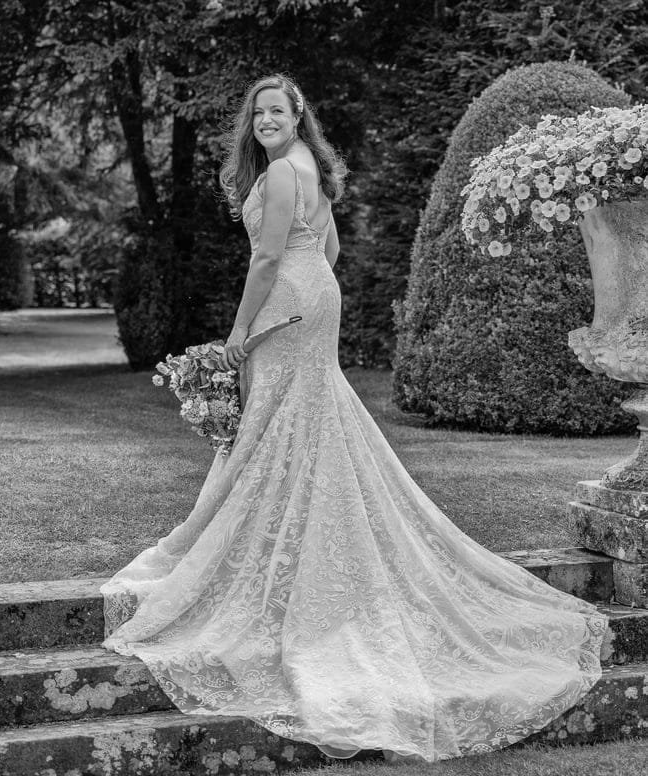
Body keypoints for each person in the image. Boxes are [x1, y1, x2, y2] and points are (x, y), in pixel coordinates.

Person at [101, 73, 607, 762]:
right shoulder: (306, 167)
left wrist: (238, 333)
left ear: (296, 113)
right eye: (258, 114)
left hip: (284, 302)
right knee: (295, 425)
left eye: (275, 111)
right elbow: (327, 251)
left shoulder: (283, 174)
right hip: (315, 296)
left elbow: (269, 257)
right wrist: (307, 289)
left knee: (273, 427)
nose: (265, 122)